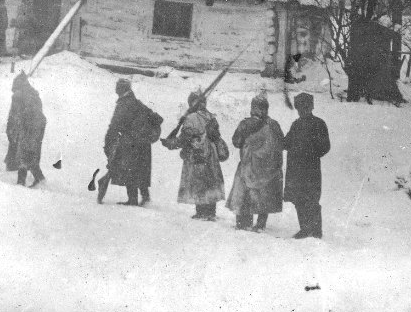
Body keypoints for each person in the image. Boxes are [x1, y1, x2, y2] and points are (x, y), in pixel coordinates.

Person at [97, 79, 164, 206]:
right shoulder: (137, 103)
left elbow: (114, 126)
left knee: (129, 170)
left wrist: (108, 143)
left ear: (121, 89)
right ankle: (145, 197)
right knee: (140, 170)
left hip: (130, 143)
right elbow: (157, 119)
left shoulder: (123, 104)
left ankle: (132, 199)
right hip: (143, 143)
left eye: (118, 86)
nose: (116, 89)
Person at [163, 91, 227, 221]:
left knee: (198, 181)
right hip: (211, 154)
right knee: (210, 180)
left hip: (197, 153)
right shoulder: (211, 117)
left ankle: (201, 212)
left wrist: (170, 144)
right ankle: (211, 212)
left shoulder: (191, 118)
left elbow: (184, 139)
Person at [226, 93, 285, 232]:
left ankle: (243, 222)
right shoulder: (274, 125)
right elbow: (282, 143)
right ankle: (261, 223)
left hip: (248, 165)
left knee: (245, 192)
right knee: (264, 194)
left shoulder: (245, 124)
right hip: (268, 169)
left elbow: (236, 142)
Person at [284, 92, 330, 239]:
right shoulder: (296, 125)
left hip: (310, 169)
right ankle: (305, 229)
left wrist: (310, 153)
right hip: (296, 169)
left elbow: (325, 146)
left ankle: (316, 231)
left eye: (305, 107)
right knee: (299, 199)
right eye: (300, 107)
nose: (302, 110)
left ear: (311, 107)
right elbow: (287, 142)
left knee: (312, 199)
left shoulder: (319, 124)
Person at [6, 72, 47, 187]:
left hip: (28, 125)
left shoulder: (18, 95)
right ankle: (40, 178)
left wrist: (11, 130)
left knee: (23, 153)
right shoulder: (33, 93)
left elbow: (14, 115)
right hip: (39, 125)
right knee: (32, 152)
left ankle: (21, 182)